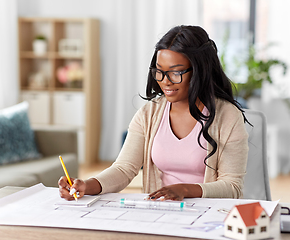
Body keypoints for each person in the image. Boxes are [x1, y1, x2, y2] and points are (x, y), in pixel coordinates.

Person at [58, 25, 249, 201]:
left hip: (209, 216)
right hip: (160, 212)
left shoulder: (228, 116)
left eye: (176, 72)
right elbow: (124, 169)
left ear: (199, 71)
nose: (165, 81)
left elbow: (232, 187)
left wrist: (184, 190)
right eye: (159, 72)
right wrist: (87, 185)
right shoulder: (149, 114)